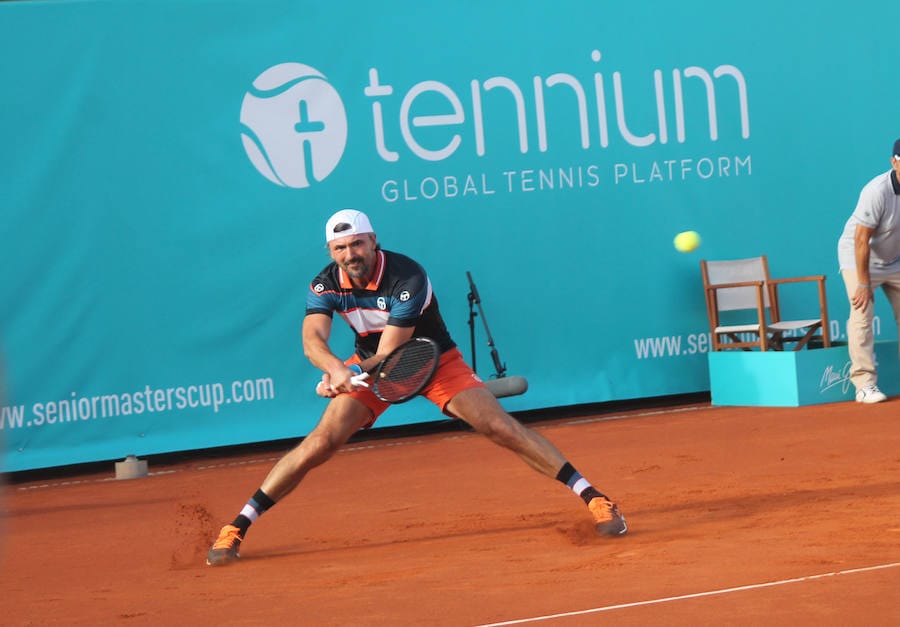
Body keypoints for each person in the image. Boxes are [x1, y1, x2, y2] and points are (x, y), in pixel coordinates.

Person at [206, 209, 626, 566]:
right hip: (368, 363)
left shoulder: (407, 277)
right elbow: (311, 338)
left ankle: (595, 498)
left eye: (357, 245)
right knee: (321, 442)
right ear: (330, 253)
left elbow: (392, 351)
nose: (350, 255)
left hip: (431, 357)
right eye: (340, 249)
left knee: (499, 427)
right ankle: (237, 526)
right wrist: (335, 369)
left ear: (373, 241)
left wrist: (346, 376)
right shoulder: (325, 283)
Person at [836, 138, 900, 403]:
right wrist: (863, 284)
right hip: (859, 257)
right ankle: (864, 384)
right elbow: (861, 239)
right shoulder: (877, 191)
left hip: (895, 257)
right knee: (862, 313)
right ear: (894, 162)